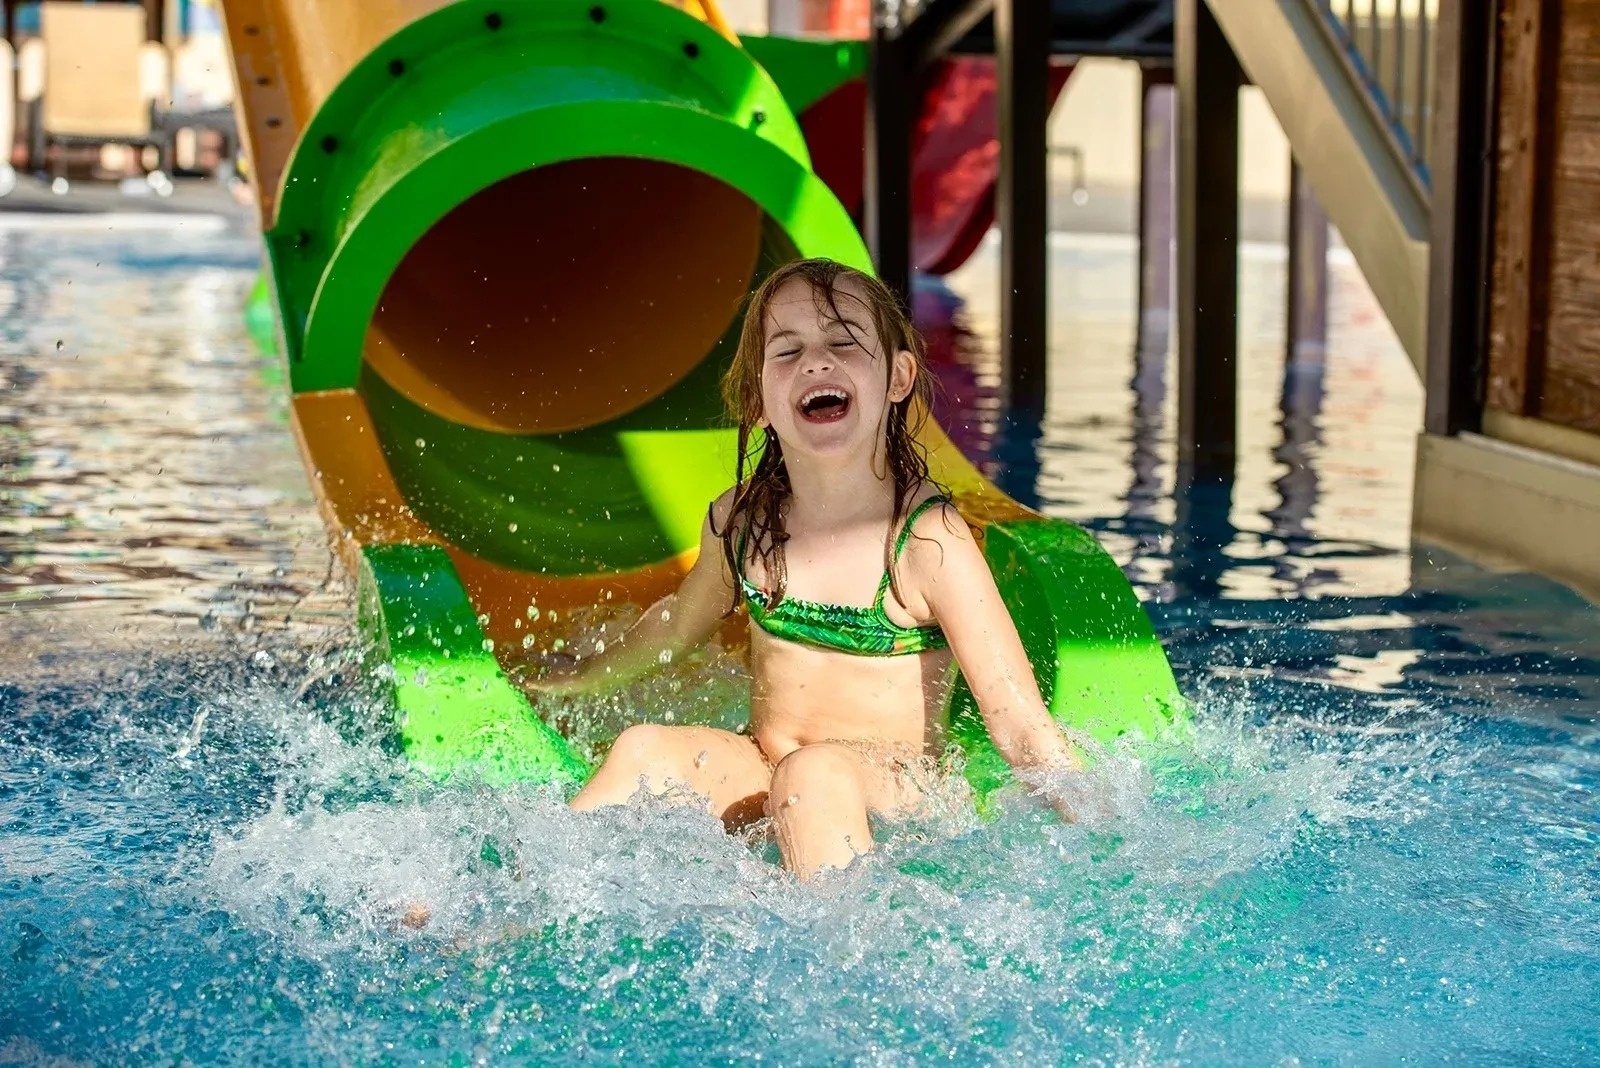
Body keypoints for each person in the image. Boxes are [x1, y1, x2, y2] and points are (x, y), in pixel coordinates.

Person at [529, 258, 1082, 880]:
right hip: (766, 766)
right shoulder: (740, 522)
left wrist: (1099, 834)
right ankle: (505, 913)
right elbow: (676, 624)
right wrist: (581, 678)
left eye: (844, 342)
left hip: (892, 793)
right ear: (757, 398)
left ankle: (847, 955)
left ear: (898, 377)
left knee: (813, 772)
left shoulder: (926, 541)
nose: (816, 364)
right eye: (787, 353)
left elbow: (1017, 723)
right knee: (644, 749)